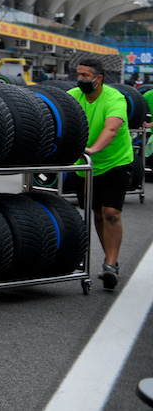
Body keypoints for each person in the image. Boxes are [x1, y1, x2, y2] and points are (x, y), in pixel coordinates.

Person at [70, 57, 134, 290]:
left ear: (98, 78)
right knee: (97, 213)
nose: (80, 79)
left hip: (115, 162)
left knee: (111, 212)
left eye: (85, 76)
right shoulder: (73, 96)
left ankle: (110, 264)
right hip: (86, 166)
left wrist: (93, 150)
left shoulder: (114, 98)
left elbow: (112, 128)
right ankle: (110, 262)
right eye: (78, 75)